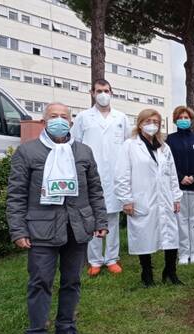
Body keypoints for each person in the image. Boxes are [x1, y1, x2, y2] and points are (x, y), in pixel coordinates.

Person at [7, 102, 108, 334]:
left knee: (72, 281)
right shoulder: (27, 152)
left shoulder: (83, 152)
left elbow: (95, 190)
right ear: (44, 121)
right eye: (53, 116)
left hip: (77, 227)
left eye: (64, 116)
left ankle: (65, 327)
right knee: (40, 282)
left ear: (71, 121)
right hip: (41, 229)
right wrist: (18, 230)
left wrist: (100, 221)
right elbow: (16, 194)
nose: (59, 120)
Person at [115, 109, 183, 287]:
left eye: (156, 121)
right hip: (142, 198)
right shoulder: (129, 145)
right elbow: (122, 174)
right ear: (140, 123)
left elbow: (172, 174)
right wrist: (126, 199)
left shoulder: (164, 147)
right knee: (143, 234)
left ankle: (170, 272)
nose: (152, 124)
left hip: (166, 197)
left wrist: (176, 197)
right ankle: (147, 273)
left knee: (171, 234)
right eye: (148, 120)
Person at [71, 79, 129, 276]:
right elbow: (75, 144)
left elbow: (128, 145)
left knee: (112, 217)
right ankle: (95, 260)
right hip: (90, 175)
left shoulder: (121, 118)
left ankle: (112, 258)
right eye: (99, 91)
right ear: (92, 93)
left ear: (112, 92)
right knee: (92, 218)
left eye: (106, 90)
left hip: (115, 175)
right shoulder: (83, 117)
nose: (103, 94)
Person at [166, 106, 194, 265]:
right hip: (178, 187)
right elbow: (168, 164)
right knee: (181, 221)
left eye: (186, 117)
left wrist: (193, 177)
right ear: (175, 120)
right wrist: (181, 178)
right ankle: (183, 254)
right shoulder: (170, 140)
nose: (183, 120)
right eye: (180, 117)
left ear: (191, 120)